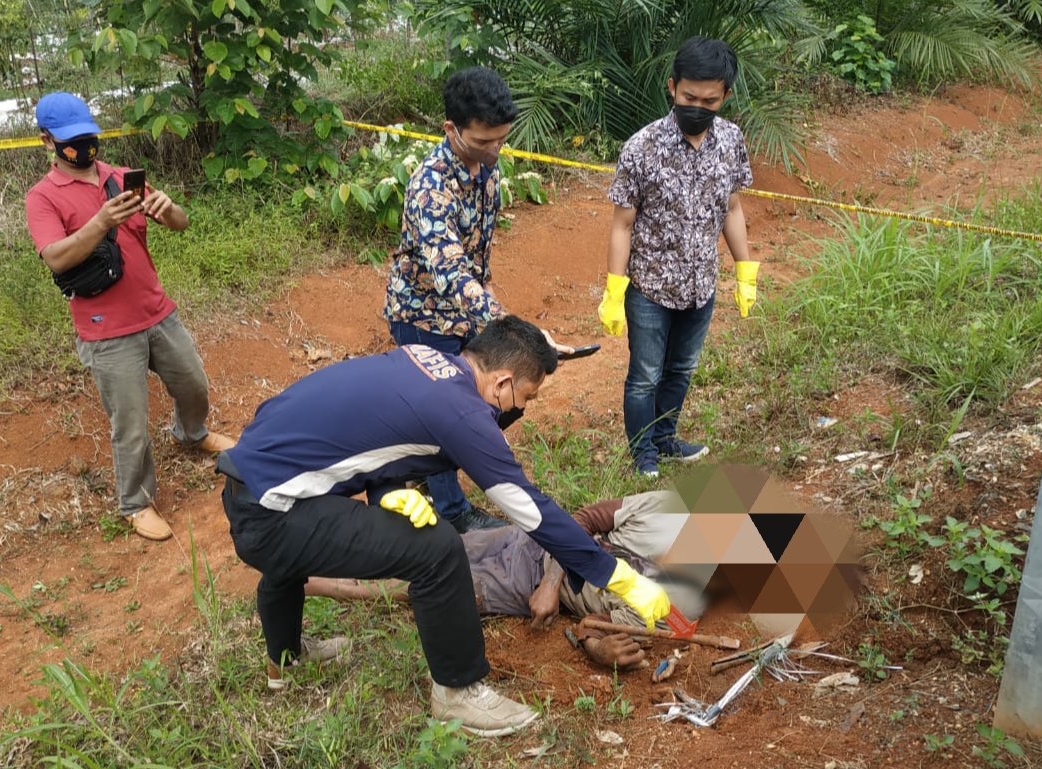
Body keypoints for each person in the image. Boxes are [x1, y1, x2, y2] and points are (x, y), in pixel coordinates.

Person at [217, 315, 670, 737]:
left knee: (295, 550)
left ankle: (284, 661)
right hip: (269, 517)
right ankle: (458, 692)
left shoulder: (428, 362)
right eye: (526, 398)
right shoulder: (463, 412)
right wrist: (619, 577)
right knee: (437, 550)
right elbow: (528, 508)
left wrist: (385, 491)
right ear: (503, 382)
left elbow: (376, 430)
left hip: (255, 478)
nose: (522, 408)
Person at [24, 92, 234, 542]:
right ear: (47, 142)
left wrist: (168, 208)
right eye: (71, 140)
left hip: (156, 312)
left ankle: (192, 433)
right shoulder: (42, 198)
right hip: (106, 331)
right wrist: (100, 222)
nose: (83, 146)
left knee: (193, 382)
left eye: (88, 136)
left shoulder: (122, 178)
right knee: (131, 421)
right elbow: (57, 258)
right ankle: (136, 503)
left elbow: (180, 223)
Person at [383, 66, 570, 533]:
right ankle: (453, 515)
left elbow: (476, 260)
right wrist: (513, 331)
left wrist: (496, 319)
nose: (495, 150)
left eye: (502, 140)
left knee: (473, 402)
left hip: (467, 311)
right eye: (484, 141)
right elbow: (448, 270)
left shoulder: (487, 170)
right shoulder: (429, 188)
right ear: (452, 129)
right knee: (442, 413)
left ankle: (420, 475)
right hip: (422, 316)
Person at [596, 37, 760, 478]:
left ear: (726, 95)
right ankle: (643, 453)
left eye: (710, 100)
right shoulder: (641, 148)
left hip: (701, 283)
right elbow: (622, 225)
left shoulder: (730, 141)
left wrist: (745, 269)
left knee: (682, 368)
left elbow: (732, 207)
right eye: (689, 97)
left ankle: (665, 438)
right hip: (649, 287)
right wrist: (615, 289)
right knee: (646, 375)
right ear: (672, 88)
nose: (698, 107)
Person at [308, 490, 705, 671]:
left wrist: (597, 650)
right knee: (429, 544)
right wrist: (553, 582)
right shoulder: (669, 509)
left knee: (419, 586)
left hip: (519, 581)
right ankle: (317, 546)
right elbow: (582, 519)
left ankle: (308, 581)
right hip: (530, 540)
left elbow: (589, 628)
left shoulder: (675, 606)